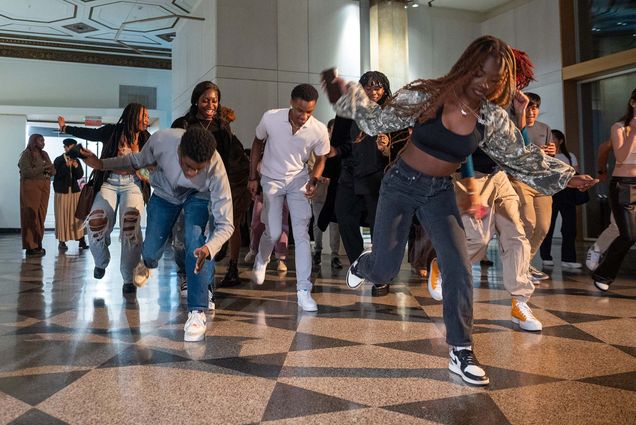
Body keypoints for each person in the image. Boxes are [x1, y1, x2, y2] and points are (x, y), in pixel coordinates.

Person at [331, 35, 596, 386]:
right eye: (483, 75)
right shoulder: (428, 95)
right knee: (385, 269)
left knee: (458, 267)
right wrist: (347, 93)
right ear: (469, 67)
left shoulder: (492, 117)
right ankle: (365, 263)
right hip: (400, 184)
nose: (488, 84)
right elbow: (378, 121)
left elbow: (521, 156)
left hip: (439, 192)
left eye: (497, 80)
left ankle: (460, 350)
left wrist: (567, 176)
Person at [81, 127, 233, 342]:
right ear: (179, 151)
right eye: (188, 166)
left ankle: (197, 311)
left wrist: (209, 248)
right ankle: (149, 263)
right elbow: (135, 160)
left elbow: (226, 224)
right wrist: (101, 165)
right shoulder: (162, 140)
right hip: (164, 194)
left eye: (198, 169)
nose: (191, 174)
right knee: (151, 249)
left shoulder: (216, 170)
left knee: (195, 241)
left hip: (198, 196)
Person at [248, 83, 330, 312]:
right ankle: (262, 258)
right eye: (299, 110)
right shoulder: (271, 118)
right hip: (271, 178)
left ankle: (304, 291)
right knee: (273, 231)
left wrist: (313, 180)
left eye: (309, 112)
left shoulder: (318, 129)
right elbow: (257, 143)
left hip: (298, 181)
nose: (304, 116)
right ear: (291, 103)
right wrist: (252, 176)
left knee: (302, 233)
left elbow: (322, 158)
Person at [58, 103, 151, 294]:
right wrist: (66, 128)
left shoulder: (146, 138)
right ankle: (101, 262)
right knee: (96, 222)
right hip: (108, 182)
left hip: (133, 184)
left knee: (130, 225)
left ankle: (128, 277)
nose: (146, 120)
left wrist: (139, 165)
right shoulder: (111, 131)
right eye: (144, 115)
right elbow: (88, 134)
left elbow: (151, 167)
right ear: (132, 115)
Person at [172, 82, 251, 290]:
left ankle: (205, 286)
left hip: (211, 188)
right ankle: (183, 271)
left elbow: (227, 160)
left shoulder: (223, 127)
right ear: (196, 100)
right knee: (181, 241)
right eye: (206, 100)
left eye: (214, 101)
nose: (210, 104)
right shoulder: (183, 124)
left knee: (206, 237)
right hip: (186, 187)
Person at [508, 92, 556, 282]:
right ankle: (519, 267)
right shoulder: (512, 128)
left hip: (541, 182)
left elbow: (548, 159)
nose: (532, 111)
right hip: (520, 180)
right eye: (528, 107)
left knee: (543, 227)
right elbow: (511, 155)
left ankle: (525, 264)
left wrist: (551, 153)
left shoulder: (545, 128)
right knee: (528, 223)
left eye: (535, 107)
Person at [592, 88, 636, 292]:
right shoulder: (619, 127)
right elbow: (622, 157)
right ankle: (603, 273)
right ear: (633, 103)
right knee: (627, 235)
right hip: (624, 185)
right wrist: (633, 130)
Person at [540, 130, 582, 268]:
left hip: (568, 193)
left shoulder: (570, 156)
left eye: (553, 138)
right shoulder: (544, 155)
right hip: (552, 192)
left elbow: (575, 173)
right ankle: (546, 256)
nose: (550, 140)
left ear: (561, 141)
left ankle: (568, 258)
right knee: (548, 226)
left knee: (570, 227)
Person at [311, 119, 342, 270]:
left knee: (335, 225)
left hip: (335, 191)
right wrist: (321, 177)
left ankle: (335, 256)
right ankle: (317, 251)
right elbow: (312, 165)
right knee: (318, 223)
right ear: (329, 130)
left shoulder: (341, 148)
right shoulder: (319, 145)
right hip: (319, 191)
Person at [18, 134, 55, 257]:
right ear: (34, 141)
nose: (43, 142)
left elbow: (53, 171)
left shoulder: (44, 154)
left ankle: (38, 243)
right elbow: (26, 172)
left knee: (40, 216)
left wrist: (49, 169)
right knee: (30, 215)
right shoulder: (27, 154)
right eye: (41, 140)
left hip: (44, 185)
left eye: (44, 140)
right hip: (30, 186)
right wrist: (43, 167)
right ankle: (30, 246)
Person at [586, 139, 619, 270]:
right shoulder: (623, 127)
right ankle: (597, 249)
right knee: (618, 225)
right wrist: (602, 171)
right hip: (626, 183)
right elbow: (604, 147)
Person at [53, 138, 88, 251]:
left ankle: (81, 240)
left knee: (77, 216)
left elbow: (79, 175)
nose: (74, 150)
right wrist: (66, 166)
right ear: (66, 148)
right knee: (62, 216)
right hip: (62, 192)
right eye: (72, 147)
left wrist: (76, 166)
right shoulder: (58, 160)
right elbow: (56, 176)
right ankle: (62, 241)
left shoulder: (76, 159)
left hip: (74, 192)